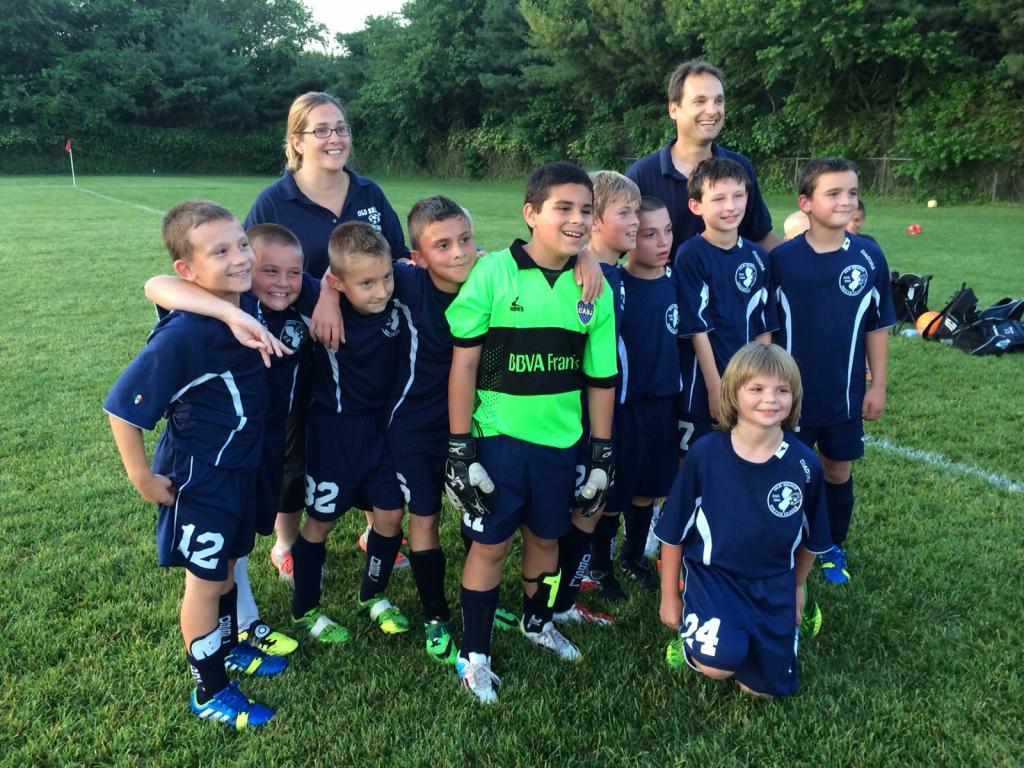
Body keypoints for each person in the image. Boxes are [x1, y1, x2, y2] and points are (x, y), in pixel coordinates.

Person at [105, 202, 285, 729]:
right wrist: (141, 477)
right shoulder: (185, 333)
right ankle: (208, 690)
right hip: (201, 475)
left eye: (241, 245)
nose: (240, 259)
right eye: (221, 251)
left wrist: (233, 309)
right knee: (204, 582)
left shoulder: (237, 301)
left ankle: (228, 650)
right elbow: (122, 405)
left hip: (241, 468)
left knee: (227, 567)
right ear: (190, 270)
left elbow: (161, 282)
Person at [445, 162, 618, 703]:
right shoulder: (494, 273)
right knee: (490, 546)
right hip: (498, 441)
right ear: (531, 213)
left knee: (547, 538)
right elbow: (465, 367)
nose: (576, 220)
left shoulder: (595, 287)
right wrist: (459, 446)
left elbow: (601, 377)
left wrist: (602, 452)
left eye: (586, 210)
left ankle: (536, 619)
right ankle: (473, 654)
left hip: (560, 443)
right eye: (562, 209)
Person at [245, 92, 410, 583]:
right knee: (297, 443)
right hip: (298, 344)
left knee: (365, 431)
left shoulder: (368, 194)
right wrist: (324, 296)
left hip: (363, 346)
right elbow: (258, 272)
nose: (335, 138)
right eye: (321, 130)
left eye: (340, 128)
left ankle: (370, 530)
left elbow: (393, 258)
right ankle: (286, 544)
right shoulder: (276, 200)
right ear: (296, 140)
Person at [143, 223, 321, 658]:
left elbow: (337, 279)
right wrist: (232, 314)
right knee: (217, 556)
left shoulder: (294, 294)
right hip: (212, 451)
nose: (281, 283)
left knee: (238, 540)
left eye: (292, 274)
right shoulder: (224, 308)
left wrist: (329, 297)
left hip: (266, 439)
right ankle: (232, 643)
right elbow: (157, 284)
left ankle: (237, 633)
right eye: (267, 270)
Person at [657, 342, 831, 697]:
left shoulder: (804, 464)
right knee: (719, 662)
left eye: (782, 390)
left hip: (772, 583)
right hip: (714, 579)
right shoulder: (705, 455)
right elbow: (673, 533)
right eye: (756, 389)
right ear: (733, 394)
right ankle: (693, 642)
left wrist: (797, 587)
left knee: (764, 692)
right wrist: (668, 596)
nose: (770, 399)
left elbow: (813, 538)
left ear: (793, 398)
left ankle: (781, 630)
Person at [770, 157, 895, 584]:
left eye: (853, 193)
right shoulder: (782, 260)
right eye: (834, 193)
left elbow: (878, 325)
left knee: (838, 470)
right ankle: (785, 543)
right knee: (789, 471)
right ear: (805, 202)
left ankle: (831, 547)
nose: (846, 201)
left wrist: (877, 384)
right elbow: (766, 332)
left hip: (844, 395)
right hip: (789, 398)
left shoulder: (869, 256)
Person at [290, 222, 410, 642]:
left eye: (387, 278)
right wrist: (325, 294)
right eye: (367, 283)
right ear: (339, 282)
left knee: (392, 514)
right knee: (320, 521)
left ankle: (373, 596)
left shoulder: (398, 304)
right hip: (333, 435)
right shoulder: (320, 304)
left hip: (382, 432)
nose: (381, 290)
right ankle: (305, 608)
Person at [548, 170, 637, 622]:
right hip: (573, 414)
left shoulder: (615, 274)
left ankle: (564, 593)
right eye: (627, 212)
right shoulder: (577, 271)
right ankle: (552, 598)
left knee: (592, 500)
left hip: (609, 410)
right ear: (597, 221)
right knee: (573, 502)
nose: (636, 221)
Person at [588, 195, 681, 599]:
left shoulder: (677, 281)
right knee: (614, 496)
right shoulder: (613, 281)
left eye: (667, 231)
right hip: (624, 407)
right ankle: (599, 566)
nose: (662, 242)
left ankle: (633, 556)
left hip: (664, 403)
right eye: (648, 234)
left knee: (648, 490)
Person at [626, 61, 781, 259]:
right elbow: (609, 241)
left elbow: (760, 236)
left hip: (726, 289)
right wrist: (586, 259)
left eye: (718, 101)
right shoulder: (642, 175)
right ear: (674, 109)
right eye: (700, 101)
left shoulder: (739, 167)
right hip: (665, 289)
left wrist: (805, 258)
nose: (712, 110)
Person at [675, 157, 776, 459]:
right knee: (693, 463)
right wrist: (716, 388)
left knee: (740, 461)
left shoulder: (759, 256)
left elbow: (764, 327)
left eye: (738, 195)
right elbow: (697, 328)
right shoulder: (691, 254)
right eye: (718, 198)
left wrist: (757, 382)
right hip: (702, 386)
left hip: (748, 383)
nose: (731, 206)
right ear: (696, 206)